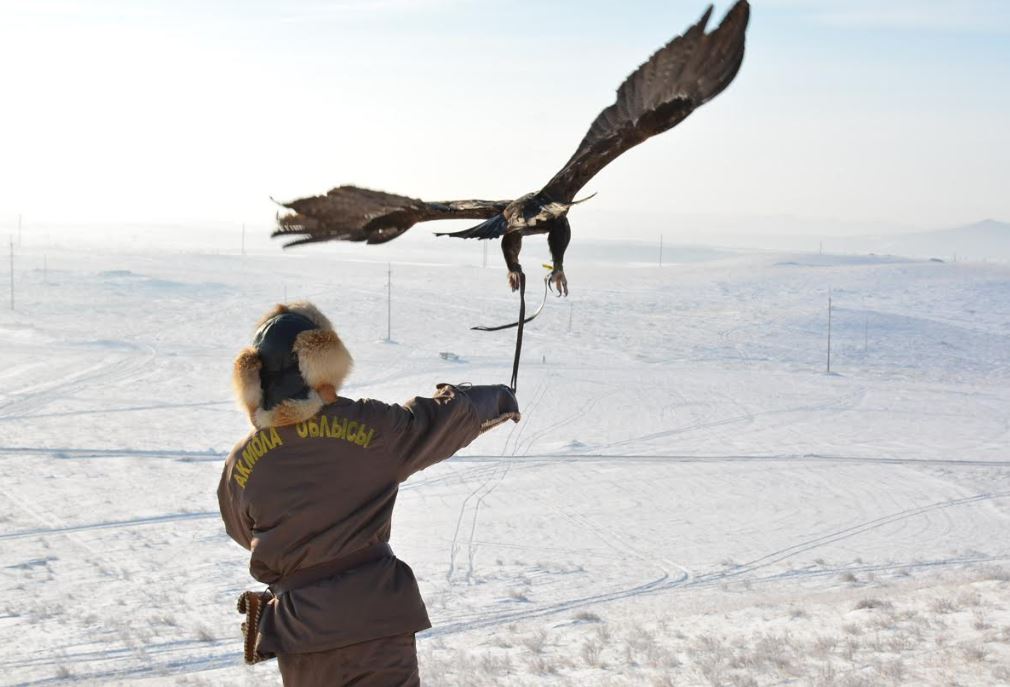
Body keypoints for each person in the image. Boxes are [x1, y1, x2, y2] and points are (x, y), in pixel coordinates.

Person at [218, 302, 520, 686]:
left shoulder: (242, 462)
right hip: (377, 618)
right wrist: (500, 399)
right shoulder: (370, 427)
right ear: (322, 364)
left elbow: (242, 531)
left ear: (255, 380)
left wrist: (302, 547)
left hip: (301, 630)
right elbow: (439, 418)